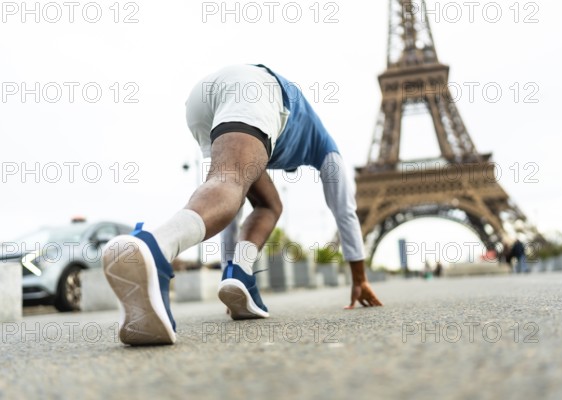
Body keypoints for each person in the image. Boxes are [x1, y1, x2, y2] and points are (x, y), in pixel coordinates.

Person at [102, 64, 383, 346]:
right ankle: (157, 246)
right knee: (230, 181)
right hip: (257, 89)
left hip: (203, 99)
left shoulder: (279, 137)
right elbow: (345, 211)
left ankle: (240, 272)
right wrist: (359, 278)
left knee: (267, 203)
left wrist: (228, 272)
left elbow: (233, 210)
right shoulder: (327, 149)